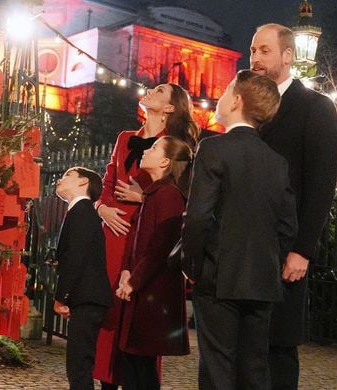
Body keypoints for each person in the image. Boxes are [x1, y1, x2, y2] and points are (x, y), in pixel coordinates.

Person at [181, 70, 298, 389]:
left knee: (218, 366)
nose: (220, 97)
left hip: (219, 275)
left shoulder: (214, 149)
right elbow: (288, 226)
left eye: (226, 90)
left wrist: (191, 266)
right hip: (262, 278)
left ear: (236, 100)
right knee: (255, 367)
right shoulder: (277, 161)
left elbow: (197, 217)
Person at [250, 23, 337, 389]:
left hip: (286, 251)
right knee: (247, 347)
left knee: (279, 347)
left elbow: (321, 186)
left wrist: (302, 250)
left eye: (264, 51)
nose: (255, 58)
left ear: (288, 56)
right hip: (245, 249)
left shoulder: (315, 108)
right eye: (253, 50)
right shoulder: (246, 106)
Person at [94, 83, 199, 388]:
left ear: (170, 107)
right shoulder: (126, 138)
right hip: (114, 233)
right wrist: (101, 208)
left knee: (140, 320)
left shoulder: (175, 147)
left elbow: (181, 198)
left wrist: (145, 199)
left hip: (146, 235)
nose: (150, 91)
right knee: (111, 313)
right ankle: (107, 381)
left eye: (159, 90)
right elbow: (108, 180)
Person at [116, 136, 192, 389]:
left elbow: (160, 246)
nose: (146, 150)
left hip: (153, 290)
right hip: (143, 286)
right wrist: (128, 271)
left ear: (165, 161)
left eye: (154, 148)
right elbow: (138, 237)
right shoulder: (155, 193)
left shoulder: (168, 195)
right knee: (133, 359)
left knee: (141, 362)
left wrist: (135, 280)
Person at [54, 167, 114, 390]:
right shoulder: (79, 211)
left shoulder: (82, 211)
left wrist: (61, 296)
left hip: (89, 297)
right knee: (78, 363)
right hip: (87, 297)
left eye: (68, 174)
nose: (61, 178)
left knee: (79, 365)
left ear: (83, 182)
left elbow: (75, 257)